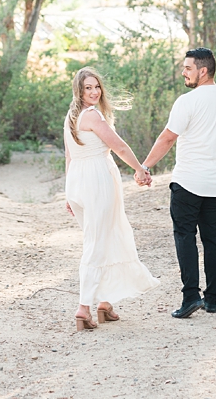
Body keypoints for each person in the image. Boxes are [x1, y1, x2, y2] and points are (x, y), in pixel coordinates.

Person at [141, 47, 216, 319]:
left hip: (187, 182)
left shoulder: (187, 101)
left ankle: (190, 297)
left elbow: (167, 138)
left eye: (187, 68)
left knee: (185, 236)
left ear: (203, 70)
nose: (183, 72)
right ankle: (211, 299)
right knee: (213, 239)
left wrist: (145, 166)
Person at [62, 66, 160, 331]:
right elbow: (119, 146)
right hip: (96, 181)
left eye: (97, 86)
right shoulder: (92, 116)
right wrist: (140, 170)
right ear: (79, 91)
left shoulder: (71, 117)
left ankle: (105, 304)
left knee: (105, 237)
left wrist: (69, 193)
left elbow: (69, 157)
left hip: (79, 182)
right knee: (96, 242)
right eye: (88, 88)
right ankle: (83, 308)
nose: (94, 92)